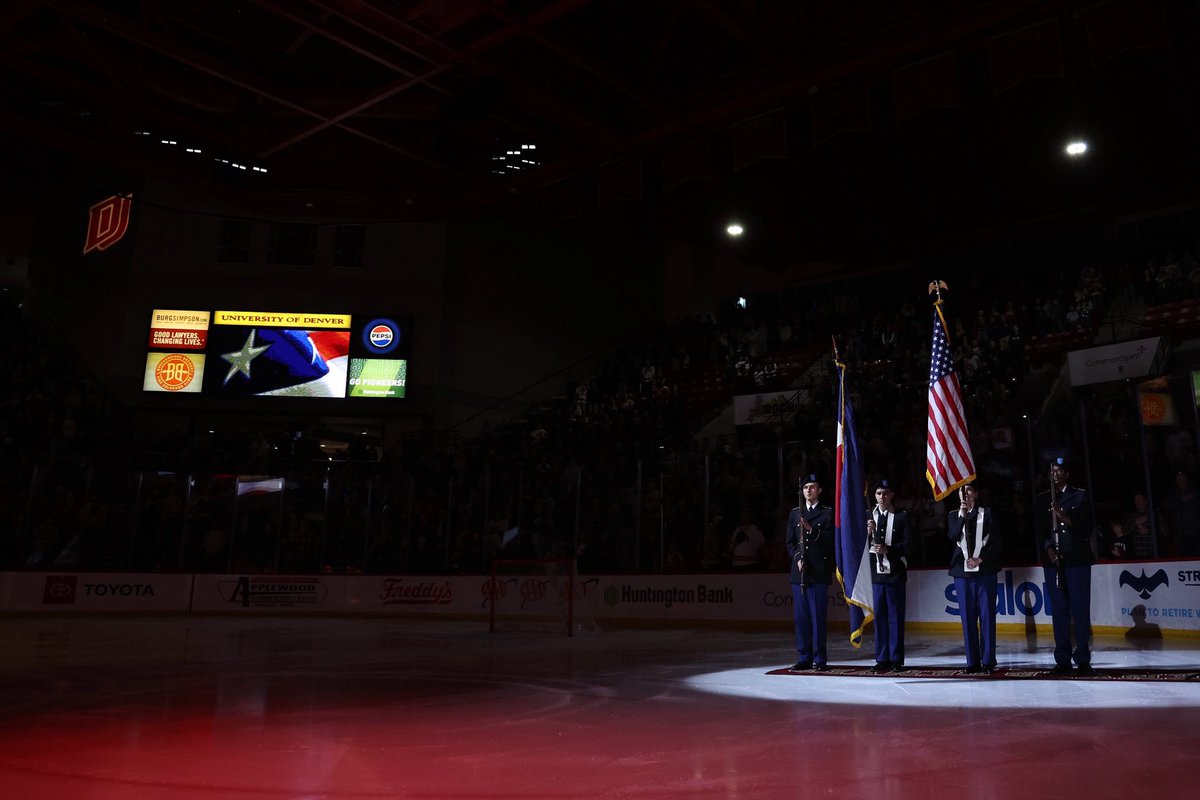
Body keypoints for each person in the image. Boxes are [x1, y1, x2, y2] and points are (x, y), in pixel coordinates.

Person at [1039, 456, 1096, 675]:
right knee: (1059, 610)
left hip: (1076, 560)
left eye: (1059, 471)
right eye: (1052, 471)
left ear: (1067, 474)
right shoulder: (1043, 498)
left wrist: (1063, 516)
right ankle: (1062, 660)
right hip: (1054, 563)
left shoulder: (1080, 496)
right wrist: (1049, 549)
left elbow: (1087, 527)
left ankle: (1082, 659)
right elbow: (1040, 530)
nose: (1055, 474)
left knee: (1080, 610)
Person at [947, 480, 1002, 674]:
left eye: (969, 490)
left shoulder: (987, 513)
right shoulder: (953, 515)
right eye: (962, 491)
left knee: (986, 616)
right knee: (967, 617)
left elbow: (997, 542)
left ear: (976, 494)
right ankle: (972, 661)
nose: (966, 493)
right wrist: (962, 516)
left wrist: (981, 558)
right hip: (962, 574)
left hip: (985, 571)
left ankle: (988, 660)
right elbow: (953, 536)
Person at [786, 474, 835, 671]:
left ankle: (819, 658)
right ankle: (804, 657)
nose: (808, 490)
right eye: (806, 487)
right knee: (801, 618)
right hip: (800, 572)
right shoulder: (795, 513)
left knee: (818, 618)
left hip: (819, 571)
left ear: (819, 490)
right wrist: (798, 558)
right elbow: (790, 542)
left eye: (812, 487)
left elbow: (830, 540)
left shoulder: (827, 513)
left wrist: (811, 529)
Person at [867, 478, 910, 673]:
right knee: (880, 619)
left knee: (895, 618)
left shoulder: (901, 517)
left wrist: (889, 549)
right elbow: (857, 546)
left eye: (885, 493)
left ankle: (896, 659)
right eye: (878, 493)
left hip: (895, 575)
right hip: (875, 575)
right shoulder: (868, 516)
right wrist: (867, 533)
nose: (882, 497)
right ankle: (881, 658)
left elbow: (909, 545)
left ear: (891, 495)